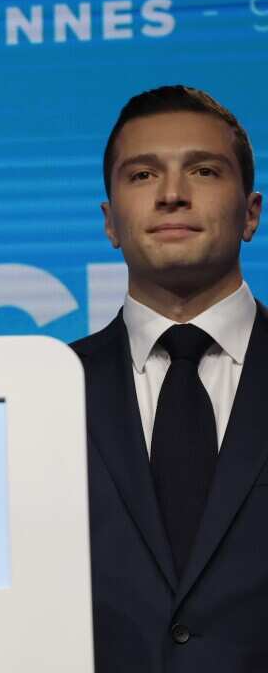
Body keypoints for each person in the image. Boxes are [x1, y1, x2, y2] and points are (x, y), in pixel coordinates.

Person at [71, 85, 267, 671]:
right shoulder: (48, 390)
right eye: (142, 176)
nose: (173, 195)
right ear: (109, 222)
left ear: (251, 212)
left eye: (204, 171)